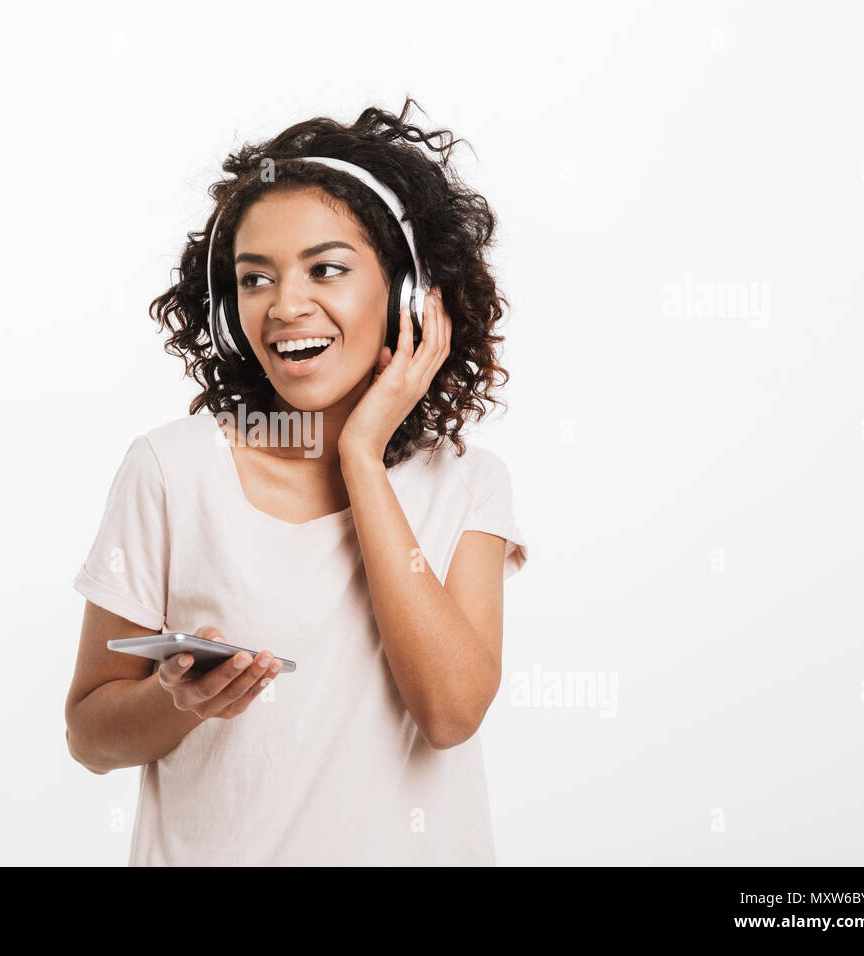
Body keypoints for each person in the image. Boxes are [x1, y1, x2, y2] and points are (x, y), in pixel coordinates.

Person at [64, 98, 529, 865]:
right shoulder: (172, 470)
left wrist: (360, 458)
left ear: (409, 293)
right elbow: (89, 736)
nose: (285, 306)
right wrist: (176, 700)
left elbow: (449, 713)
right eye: (255, 279)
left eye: (327, 269)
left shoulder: (469, 486)